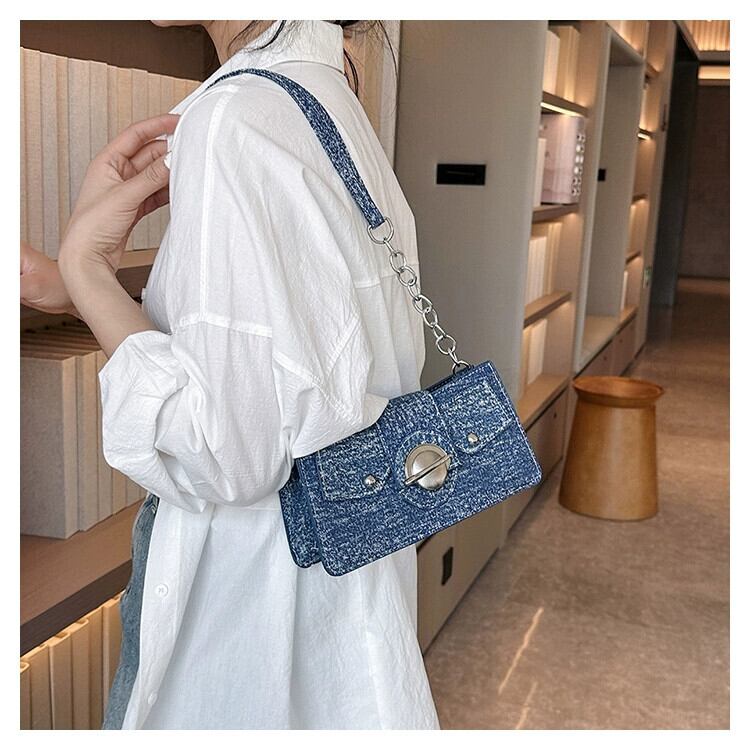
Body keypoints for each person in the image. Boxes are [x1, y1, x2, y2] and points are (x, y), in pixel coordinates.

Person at [23, 19, 441, 729]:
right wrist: (73, 289)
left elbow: (226, 454)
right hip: (334, 592)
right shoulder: (324, 95)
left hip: (242, 614)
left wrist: (88, 271)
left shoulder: (234, 118)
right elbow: (292, 349)